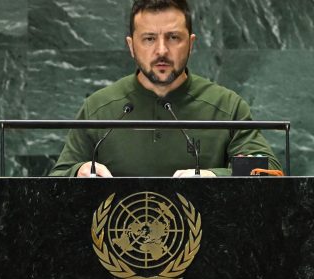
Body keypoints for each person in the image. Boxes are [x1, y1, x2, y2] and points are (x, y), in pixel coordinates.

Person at [49, 0, 281, 177]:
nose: (161, 50)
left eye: (173, 38)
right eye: (149, 39)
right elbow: (57, 179)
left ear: (191, 44)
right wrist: (78, 171)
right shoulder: (99, 107)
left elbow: (269, 171)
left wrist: (213, 176)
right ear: (131, 46)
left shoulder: (226, 106)